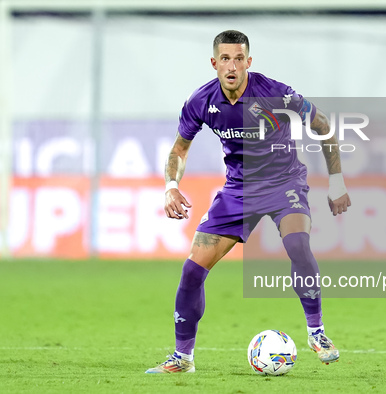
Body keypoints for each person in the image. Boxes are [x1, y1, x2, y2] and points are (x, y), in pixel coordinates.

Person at [146, 30, 351, 374]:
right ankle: (183, 358)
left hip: (284, 182)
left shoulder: (275, 93)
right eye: (225, 59)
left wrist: (336, 181)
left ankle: (317, 332)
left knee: (298, 244)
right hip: (239, 190)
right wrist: (170, 185)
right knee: (192, 270)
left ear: (248, 62)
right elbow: (180, 149)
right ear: (214, 63)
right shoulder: (201, 101)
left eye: (239, 59)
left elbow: (322, 125)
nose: (232, 66)